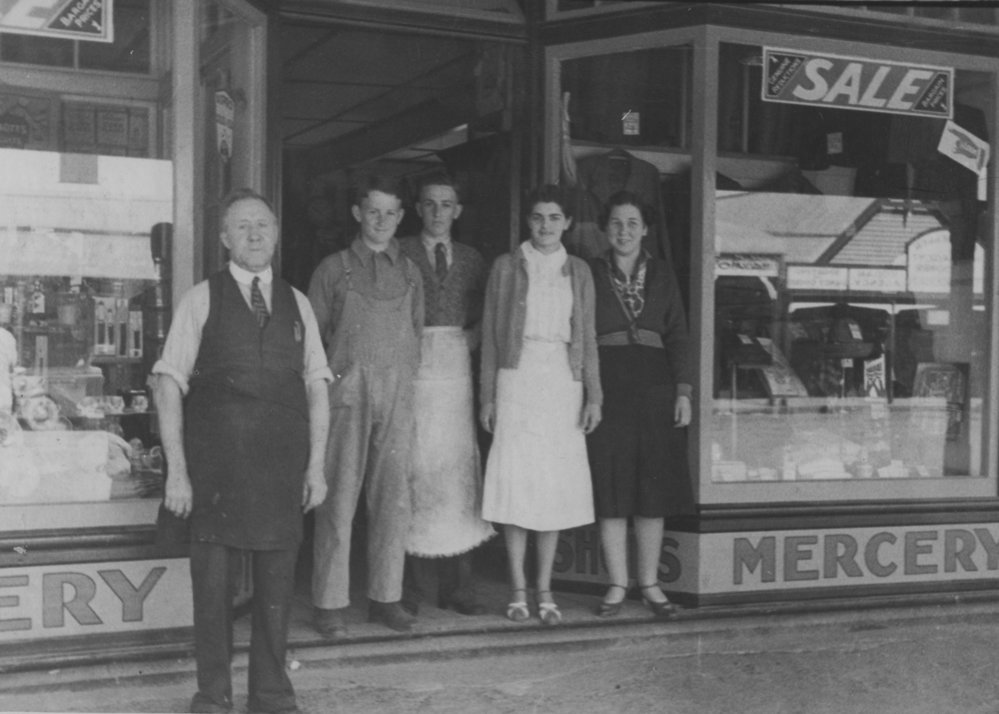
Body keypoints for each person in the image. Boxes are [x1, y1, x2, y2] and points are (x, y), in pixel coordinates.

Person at [154, 188, 331, 714]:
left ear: (276, 234)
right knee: (212, 599)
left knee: (276, 599)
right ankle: (212, 697)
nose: (255, 235)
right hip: (215, 475)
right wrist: (177, 474)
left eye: (264, 225)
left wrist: (317, 466)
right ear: (226, 239)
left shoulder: (298, 303)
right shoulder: (201, 298)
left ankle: (272, 697)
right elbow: (168, 384)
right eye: (243, 227)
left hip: (281, 474)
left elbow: (318, 386)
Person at [479, 184, 601, 626]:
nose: (545, 226)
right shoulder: (506, 267)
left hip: (562, 381)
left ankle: (545, 587)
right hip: (517, 377)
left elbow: (586, 338)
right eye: (537, 217)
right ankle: (516, 587)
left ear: (567, 222)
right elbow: (492, 337)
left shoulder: (580, 271)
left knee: (552, 488)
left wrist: (593, 395)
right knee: (517, 484)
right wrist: (488, 396)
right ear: (527, 222)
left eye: (554, 218)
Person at [308, 174, 424, 636]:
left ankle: (386, 598)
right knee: (337, 499)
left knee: (394, 500)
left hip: (398, 396)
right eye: (373, 211)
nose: (382, 221)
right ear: (357, 213)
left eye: (391, 213)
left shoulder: (410, 271)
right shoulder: (333, 269)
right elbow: (313, 345)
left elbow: (416, 334)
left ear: (400, 217)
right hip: (346, 395)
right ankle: (329, 603)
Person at [586, 190, 692, 619]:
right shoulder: (588, 273)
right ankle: (617, 583)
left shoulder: (663, 274)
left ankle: (649, 582)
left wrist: (683, 391)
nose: (624, 231)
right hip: (607, 385)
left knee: (652, 487)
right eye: (615, 223)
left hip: (655, 386)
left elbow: (680, 335)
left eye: (632, 223)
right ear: (604, 229)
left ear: (645, 228)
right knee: (612, 486)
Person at [398, 172, 495, 616]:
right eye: (430, 203)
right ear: (418, 209)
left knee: (457, 471)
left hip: (456, 373)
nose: (438, 212)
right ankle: (417, 587)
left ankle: (461, 585)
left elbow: (487, 315)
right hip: (413, 369)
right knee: (416, 469)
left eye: (446, 204)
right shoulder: (399, 252)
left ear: (458, 210)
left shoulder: (474, 259)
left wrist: (471, 339)